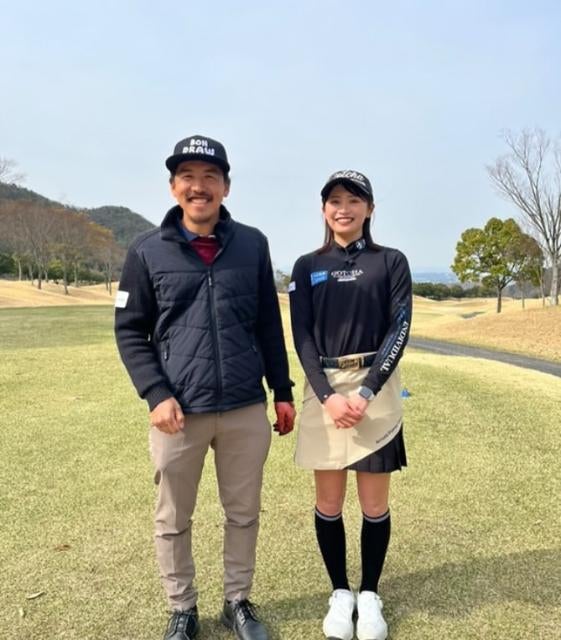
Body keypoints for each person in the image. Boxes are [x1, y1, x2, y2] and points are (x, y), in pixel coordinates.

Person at [115, 134, 295, 640]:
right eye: (188, 177)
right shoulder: (146, 250)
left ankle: (237, 600)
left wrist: (282, 391)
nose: (199, 187)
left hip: (244, 406)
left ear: (226, 187)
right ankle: (182, 607)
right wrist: (156, 394)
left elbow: (268, 323)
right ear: (173, 187)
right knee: (173, 517)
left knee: (243, 513)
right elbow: (129, 330)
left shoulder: (252, 244)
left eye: (210, 177)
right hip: (178, 410)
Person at [289, 170, 412, 640]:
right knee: (328, 501)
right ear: (324, 210)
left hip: (374, 389)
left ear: (370, 209)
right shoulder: (307, 265)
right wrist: (327, 396)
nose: (344, 208)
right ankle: (340, 592)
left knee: (374, 503)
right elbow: (302, 336)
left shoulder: (390, 261)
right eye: (335, 200)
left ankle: (370, 594)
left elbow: (399, 327)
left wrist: (366, 391)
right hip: (325, 389)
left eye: (354, 200)